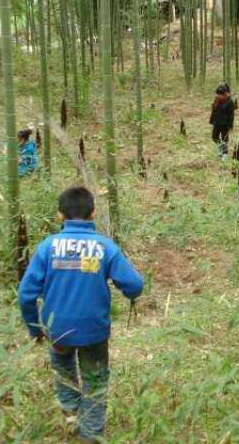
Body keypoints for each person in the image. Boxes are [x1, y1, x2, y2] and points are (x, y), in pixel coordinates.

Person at [18, 186, 143, 444]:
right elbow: (135, 285)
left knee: (63, 369)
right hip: (93, 331)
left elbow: (25, 295)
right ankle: (91, 434)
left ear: (59, 215)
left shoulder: (47, 247)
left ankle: (71, 412)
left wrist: (35, 329)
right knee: (95, 381)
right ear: (93, 213)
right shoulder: (105, 247)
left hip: (58, 329)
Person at [209, 83, 236, 160]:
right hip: (216, 122)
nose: (218, 96)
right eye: (218, 94)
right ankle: (221, 149)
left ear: (225, 94)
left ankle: (224, 153)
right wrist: (211, 120)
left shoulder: (230, 102)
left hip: (225, 124)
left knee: (225, 139)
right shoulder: (217, 99)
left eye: (220, 95)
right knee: (214, 137)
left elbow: (231, 115)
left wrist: (230, 126)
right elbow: (214, 110)